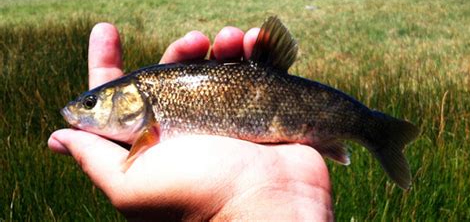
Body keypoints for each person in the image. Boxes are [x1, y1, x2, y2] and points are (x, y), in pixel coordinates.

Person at [48, 23, 334, 221]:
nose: (78, 111)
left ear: (131, 100)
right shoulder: (144, 127)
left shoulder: (146, 129)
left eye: (90, 104)